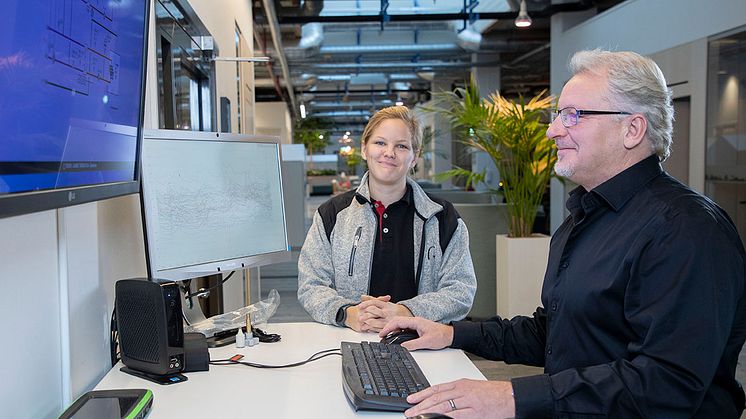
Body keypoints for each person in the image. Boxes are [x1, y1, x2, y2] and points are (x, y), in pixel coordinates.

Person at [381, 49, 746, 418]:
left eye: (574, 116)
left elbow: (666, 385)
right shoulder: (584, 217)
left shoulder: (687, 230)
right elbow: (553, 334)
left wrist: (512, 397)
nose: (554, 130)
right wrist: (452, 334)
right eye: (558, 116)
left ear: (632, 129)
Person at [297, 106, 477, 332]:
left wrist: (405, 312)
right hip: (349, 340)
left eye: (401, 146)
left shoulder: (443, 218)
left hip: (423, 344)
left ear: (415, 157)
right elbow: (311, 284)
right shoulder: (331, 214)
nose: (389, 153)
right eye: (380, 143)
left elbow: (461, 290)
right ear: (364, 149)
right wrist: (348, 313)